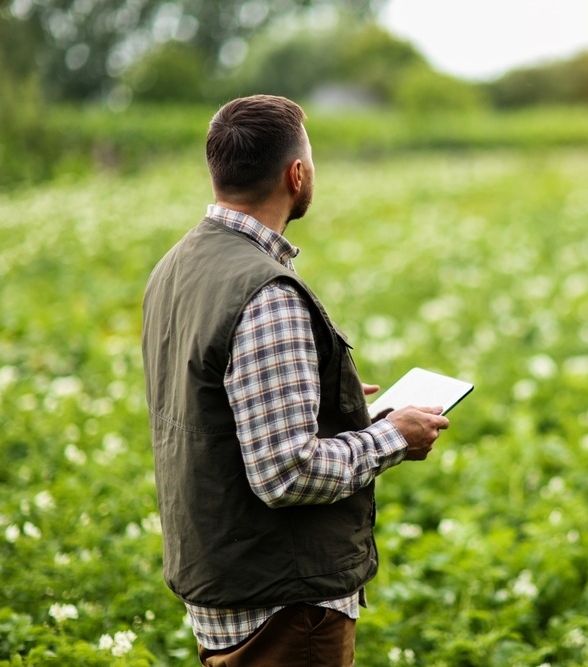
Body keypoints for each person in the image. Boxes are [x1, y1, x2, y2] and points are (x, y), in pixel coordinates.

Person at [141, 94, 450, 666]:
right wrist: (394, 437)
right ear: (297, 174)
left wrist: (330, 403)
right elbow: (285, 473)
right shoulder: (265, 293)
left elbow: (211, 401)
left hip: (226, 583)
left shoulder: (176, 265)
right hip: (284, 604)